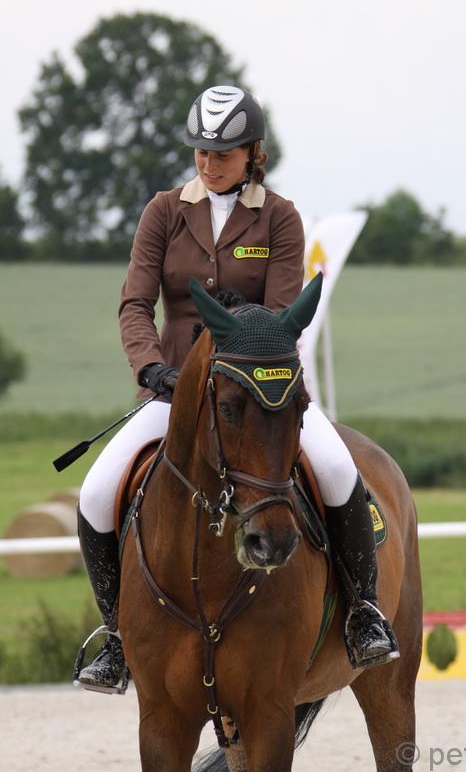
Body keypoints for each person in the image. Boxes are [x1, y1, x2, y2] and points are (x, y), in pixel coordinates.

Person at [77, 84, 398, 691]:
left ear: (253, 152)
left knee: (337, 470)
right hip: (176, 393)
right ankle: (116, 636)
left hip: (262, 396)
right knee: (96, 493)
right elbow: (135, 305)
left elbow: (280, 316)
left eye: (222, 153)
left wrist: (241, 351)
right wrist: (151, 368)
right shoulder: (163, 212)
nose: (208, 163)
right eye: (201, 151)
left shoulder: (279, 217)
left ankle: (363, 612)